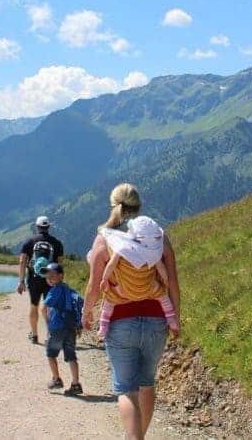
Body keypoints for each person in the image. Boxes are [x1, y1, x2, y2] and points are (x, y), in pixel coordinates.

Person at [82, 183, 181, 440]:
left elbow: (94, 285)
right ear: (139, 206)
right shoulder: (158, 236)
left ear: (114, 205)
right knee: (147, 382)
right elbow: (172, 281)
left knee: (127, 389)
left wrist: (87, 312)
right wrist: (175, 319)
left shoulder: (105, 238)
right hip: (157, 320)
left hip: (120, 321)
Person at [97, 216, 179, 339]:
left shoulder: (121, 248)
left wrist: (104, 279)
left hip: (125, 289)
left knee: (110, 299)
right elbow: (161, 269)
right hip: (148, 289)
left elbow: (111, 265)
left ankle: (103, 326)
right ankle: (171, 319)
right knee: (163, 297)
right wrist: (166, 280)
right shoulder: (154, 252)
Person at [17, 215, 64, 344]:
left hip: (34, 278)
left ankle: (35, 335)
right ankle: (50, 336)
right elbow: (60, 264)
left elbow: (22, 261)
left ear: (37, 227)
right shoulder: (57, 243)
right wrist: (59, 282)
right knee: (48, 307)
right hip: (51, 279)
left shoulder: (29, 242)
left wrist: (21, 281)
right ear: (48, 227)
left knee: (34, 306)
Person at [41, 262, 83, 396]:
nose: (49, 279)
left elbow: (44, 308)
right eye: (47, 277)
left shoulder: (55, 290)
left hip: (57, 328)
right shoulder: (69, 289)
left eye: (52, 276)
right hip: (70, 327)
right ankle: (76, 384)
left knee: (50, 353)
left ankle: (56, 379)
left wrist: (48, 323)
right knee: (71, 356)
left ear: (61, 276)